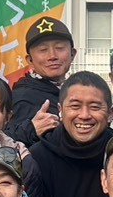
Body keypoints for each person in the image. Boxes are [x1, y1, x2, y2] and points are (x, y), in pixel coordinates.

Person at [22, 72, 113, 197]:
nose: (84, 115)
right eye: (75, 106)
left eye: (95, 107)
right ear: (60, 110)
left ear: (110, 113)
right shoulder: (37, 158)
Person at [6, 17, 76, 146]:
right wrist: (31, 129)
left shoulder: (76, 91)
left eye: (59, 47)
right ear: (30, 60)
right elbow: (1, 140)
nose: (52, 56)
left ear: (72, 54)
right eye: (43, 50)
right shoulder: (21, 97)